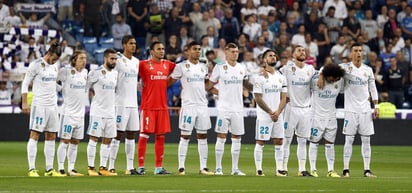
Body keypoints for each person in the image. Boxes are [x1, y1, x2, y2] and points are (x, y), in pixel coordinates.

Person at [206, 43, 253, 175]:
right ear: (226, 53)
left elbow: (245, 85)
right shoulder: (220, 67)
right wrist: (220, 93)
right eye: (232, 51)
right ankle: (218, 168)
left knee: (237, 137)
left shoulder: (242, 68)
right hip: (224, 108)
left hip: (238, 108)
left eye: (237, 51)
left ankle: (235, 169)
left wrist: (255, 88)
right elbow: (209, 86)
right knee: (221, 137)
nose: (235, 54)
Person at [168, 41, 214, 175]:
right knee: (185, 136)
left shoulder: (203, 67)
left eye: (199, 49)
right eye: (195, 49)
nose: (198, 51)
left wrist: (220, 92)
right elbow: (169, 82)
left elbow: (205, 85)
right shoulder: (181, 66)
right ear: (187, 51)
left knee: (202, 136)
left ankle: (203, 167)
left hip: (202, 106)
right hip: (188, 106)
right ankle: (181, 167)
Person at [23, 42, 64, 177]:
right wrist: (24, 103)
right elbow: (25, 84)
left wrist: (65, 89)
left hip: (53, 106)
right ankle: (31, 169)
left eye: (57, 60)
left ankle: (49, 169)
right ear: (49, 53)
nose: (55, 61)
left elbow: (53, 84)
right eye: (54, 58)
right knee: (35, 134)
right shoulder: (35, 65)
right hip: (39, 105)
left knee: (51, 135)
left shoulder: (55, 66)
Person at [340, 43, 379, 178]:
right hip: (350, 110)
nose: (358, 53)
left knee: (366, 140)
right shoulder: (344, 68)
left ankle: (367, 170)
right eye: (355, 50)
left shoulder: (367, 70)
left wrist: (376, 106)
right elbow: (329, 71)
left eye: (360, 51)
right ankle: (346, 169)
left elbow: (373, 88)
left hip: (365, 110)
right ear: (351, 54)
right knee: (348, 140)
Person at [137, 41, 176, 175]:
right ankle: (141, 167)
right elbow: (130, 71)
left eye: (163, 49)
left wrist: (170, 82)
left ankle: (158, 167)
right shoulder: (143, 64)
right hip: (148, 107)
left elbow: (180, 71)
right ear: (152, 51)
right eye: (158, 49)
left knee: (160, 137)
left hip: (162, 107)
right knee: (144, 136)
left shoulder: (167, 64)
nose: (162, 51)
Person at [280, 45, 316, 177]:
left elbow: (318, 84)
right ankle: (283, 168)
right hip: (291, 109)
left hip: (306, 110)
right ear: (293, 54)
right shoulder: (286, 69)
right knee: (287, 140)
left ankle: (302, 169)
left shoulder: (310, 70)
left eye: (303, 50)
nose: (302, 52)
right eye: (299, 50)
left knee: (302, 141)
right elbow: (276, 80)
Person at [108, 35, 140, 175]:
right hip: (120, 103)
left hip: (133, 104)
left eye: (134, 43)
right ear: (124, 45)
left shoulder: (137, 62)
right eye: (131, 43)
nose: (133, 46)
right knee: (117, 134)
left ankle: (130, 167)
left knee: (131, 134)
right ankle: (111, 166)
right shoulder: (119, 61)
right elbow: (111, 78)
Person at [253, 49, 287, 176]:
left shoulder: (281, 77)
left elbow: (284, 97)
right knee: (261, 141)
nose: (273, 57)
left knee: (279, 141)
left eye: (274, 55)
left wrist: (277, 112)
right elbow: (258, 98)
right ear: (264, 59)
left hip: (278, 115)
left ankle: (279, 169)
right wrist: (270, 112)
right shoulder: (259, 78)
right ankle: (259, 169)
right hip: (264, 115)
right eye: (270, 56)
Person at [308, 64, 345, 178]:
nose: (335, 80)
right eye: (333, 78)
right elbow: (321, 68)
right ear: (328, 75)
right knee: (314, 142)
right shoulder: (315, 81)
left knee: (330, 144)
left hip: (331, 117)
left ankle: (331, 170)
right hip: (316, 117)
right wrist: (321, 75)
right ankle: (313, 169)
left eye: (337, 78)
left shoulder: (339, 81)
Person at [86, 48, 118, 176]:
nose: (114, 61)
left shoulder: (115, 74)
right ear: (105, 58)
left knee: (108, 140)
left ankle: (103, 168)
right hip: (98, 112)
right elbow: (86, 87)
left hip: (110, 112)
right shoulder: (95, 72)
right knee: (93, 139)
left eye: (115, 59)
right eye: (112, 58)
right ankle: (91, 168)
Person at [56, 50, 88, 176]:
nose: (84, 60)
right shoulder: (66, 71)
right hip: (68, 113)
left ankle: (71, 169)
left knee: (75, 142)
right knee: (64, 141)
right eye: (81, 58)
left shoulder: (86, 73)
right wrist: (61, 89)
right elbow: (53, 80)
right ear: (74, 60)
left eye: (85, 58)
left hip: (80, 115)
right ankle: (60, 168)